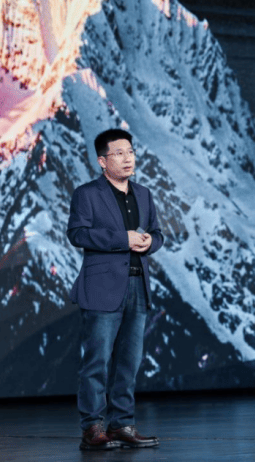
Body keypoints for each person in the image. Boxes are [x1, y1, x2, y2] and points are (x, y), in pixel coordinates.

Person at [67, 128, 164, 450]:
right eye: (119, 153)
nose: (127, 159)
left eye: (130, 152)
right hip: (101, 288)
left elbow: (157, 233)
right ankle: (92, 428)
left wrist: (150, 242)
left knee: (129, 362)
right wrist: (123, 239)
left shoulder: (144, 194)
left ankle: (122, 424)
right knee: (96, 362)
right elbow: (77, 234)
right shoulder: (87, 194)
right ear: (102, 161)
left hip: (138, 285)